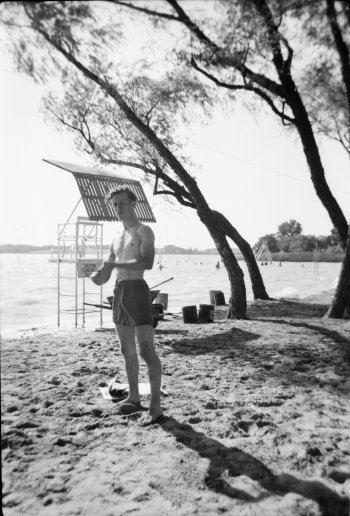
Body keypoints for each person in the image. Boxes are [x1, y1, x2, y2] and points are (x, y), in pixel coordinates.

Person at [91, 187, 163, 426]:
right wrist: (96, 275)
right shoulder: (115, 238)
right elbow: (105, 274)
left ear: (133, 203)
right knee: (126, 351)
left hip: (138, 291)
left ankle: (155, 406)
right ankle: (133, 397)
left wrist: (113, 265)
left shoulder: (145, 230)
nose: (119, 208)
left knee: (145, 351)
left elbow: (148, 261)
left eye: (123, 203)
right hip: (119, 292)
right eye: (115, 205)